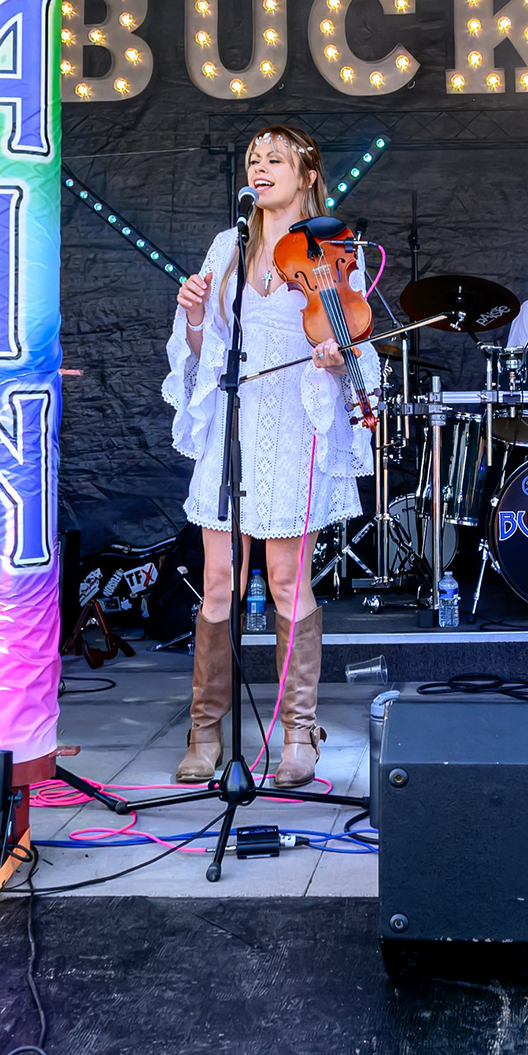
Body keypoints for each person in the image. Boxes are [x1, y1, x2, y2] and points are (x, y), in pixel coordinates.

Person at [163, 124, 377, 788]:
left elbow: (355, 348)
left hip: (294, 419)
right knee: (219, 581)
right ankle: (205, 731)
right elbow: (203, 351)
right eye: (254, 160)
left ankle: (299, 732)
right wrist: (194, 317)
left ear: (308, 174)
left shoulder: (334, 249)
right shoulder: (228, 245)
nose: (260, 169)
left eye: (275, 159)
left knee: (286, 580)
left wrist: (336, 357)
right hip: (235, 419)